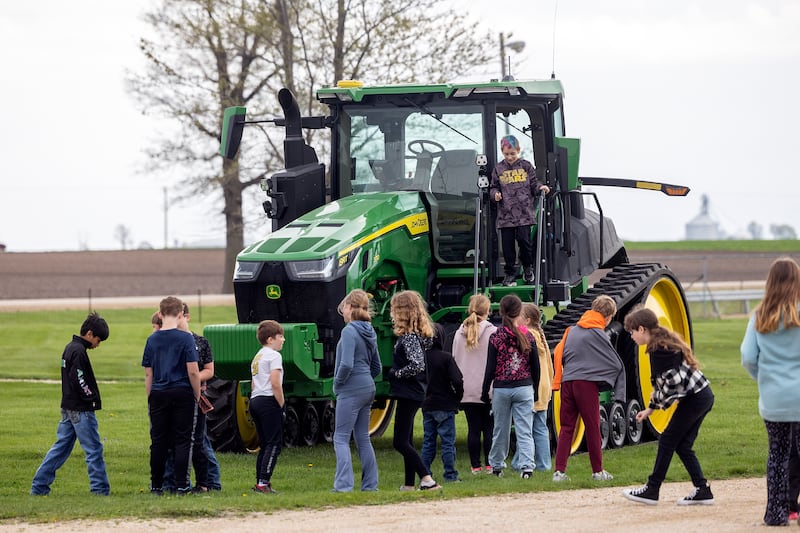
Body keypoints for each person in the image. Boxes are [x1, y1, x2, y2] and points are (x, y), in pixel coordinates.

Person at [621, 306, 715, 506]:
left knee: (667, 440)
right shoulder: (659, 345)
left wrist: (662, 403)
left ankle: (652, 489)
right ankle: (702, 489)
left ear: (642, 329)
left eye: (632, 332)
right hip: (702, 395)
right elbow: (663, 384)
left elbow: (672, 382)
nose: (631, 336)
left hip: (696, 398)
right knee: (682, 445)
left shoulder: (659, 349)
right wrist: (650, 409)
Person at [741, 257, 800, 526]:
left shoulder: (759, 316)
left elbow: (748, 357)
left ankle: (775, 514)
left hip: (774, 397)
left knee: (777, 454)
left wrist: (763, 378)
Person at [31, 312, 111, 496]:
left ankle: (39, 487)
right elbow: (79, 379)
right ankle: (100, 490)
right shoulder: (79, 351)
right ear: (90, 334)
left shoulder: (70, 347)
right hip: (80, 409)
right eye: (98, 340)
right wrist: (91, 398)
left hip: (68, 407)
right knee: (94, 449)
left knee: (60, 449)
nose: (98, 345)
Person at [552, 294, 624, 482]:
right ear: (608, 317)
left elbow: (563, 352)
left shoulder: (572, 330)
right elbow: (616, 364)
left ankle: (559, 472)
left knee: (567, 428)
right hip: (586, 384)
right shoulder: (598, 333)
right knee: (592, 427)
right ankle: (598, 471)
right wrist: (604, 380)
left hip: (568, 381)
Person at [142, 296, 201, 495]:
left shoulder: (152, 339)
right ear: (180, 314)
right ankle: (182, 485)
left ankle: (156, 485)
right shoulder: (186, 338)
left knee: (158, 441)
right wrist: (197, 393)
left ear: (160, 314)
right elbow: (193, 370)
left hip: (158, 393)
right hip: (182, 391)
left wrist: (150, 397)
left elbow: (148, 373)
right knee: (183, 440)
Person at [161, 303, 221, 493]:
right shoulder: (167, 341)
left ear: (186, 316)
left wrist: (193, 378)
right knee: (172, 442)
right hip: (173, 397)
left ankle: (211, 482)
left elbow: (209, 371)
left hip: (195, 396)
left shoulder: (200, 342)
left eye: (179, 317)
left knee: (199, 442)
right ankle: (170, 483)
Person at [481, 294, 540, 479]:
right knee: (525, 429)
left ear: (501, 311)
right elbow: (535, 366)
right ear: (519, 312)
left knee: (500, 429)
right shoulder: (527, 334)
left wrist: (485, 390)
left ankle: (497, 465)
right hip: (524, 387)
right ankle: (527, 467)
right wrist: (536, 389)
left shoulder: (496, 336)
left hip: (502, 388)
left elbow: (490, 368)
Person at [388, 290, 441, 491]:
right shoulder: (417, 336)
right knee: (407, 438)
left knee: (399, 442)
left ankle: (426, 478)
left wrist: (396, 373)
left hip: (408, 392)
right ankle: (409, 483)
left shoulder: (409, 338)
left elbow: (417, 364)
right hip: (414, 392)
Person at [332, 289, 383, 492]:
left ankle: (343, 486)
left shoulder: (349, 330)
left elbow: (346, 364)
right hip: (368, 388)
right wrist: (365, 379)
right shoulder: (369, 330)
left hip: (351, 389)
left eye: (344, 307)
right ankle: (370, 485)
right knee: (362, 437)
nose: (342, 311)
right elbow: (377, 367)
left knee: (341, 437)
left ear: (350, 308)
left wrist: (338, 384)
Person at [489, 134, 550, 287]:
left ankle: (528, 268)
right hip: (506, 215)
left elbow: (534, 184)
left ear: (518, 150)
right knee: (508, 246)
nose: (510, 157)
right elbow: (493, 186)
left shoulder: (526, 166)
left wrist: (541, 188)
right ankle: (510, 274)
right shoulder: (499, 168)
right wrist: (494, 194)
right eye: (506, 154)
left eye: (513, 154)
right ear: (502, 152)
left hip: (524, 214)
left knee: (524, 242)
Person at [452, 294, 497, 475]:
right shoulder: (492, 332)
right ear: (488, 311)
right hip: (488, 388)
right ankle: (489, 464)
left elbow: (454, 359)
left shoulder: (458, 333)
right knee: (489, 428)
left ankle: (475, 466)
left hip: (467, 388)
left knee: (473, 428)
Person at [421, 323, 464, 483]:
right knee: (447, 443)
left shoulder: (422, 358)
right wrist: (457, 397)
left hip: (427, 404)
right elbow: (457, 380)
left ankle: (425, 473)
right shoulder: (446, 358)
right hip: (445, 404)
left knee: (428, 442)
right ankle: (450, 475)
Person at [250, 319, 286, 494]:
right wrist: (281, 404)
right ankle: (263, 483)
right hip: (268, 400)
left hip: (255, 400)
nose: (283, 340)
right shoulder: (274, 356)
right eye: (280, 336)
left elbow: (253, 383)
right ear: (270, 339)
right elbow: (275, 383)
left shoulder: (258, 356)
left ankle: (260, 481)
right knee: (274, 444)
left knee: (264, 444)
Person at [524, 303, 554, 472]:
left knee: (526, 428)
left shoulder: (527, 334)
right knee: (540, 427)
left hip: (534, 386)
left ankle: (524, 461)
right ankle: (544, 463)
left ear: (527, 320)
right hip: (544, 386)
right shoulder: (539, 335)